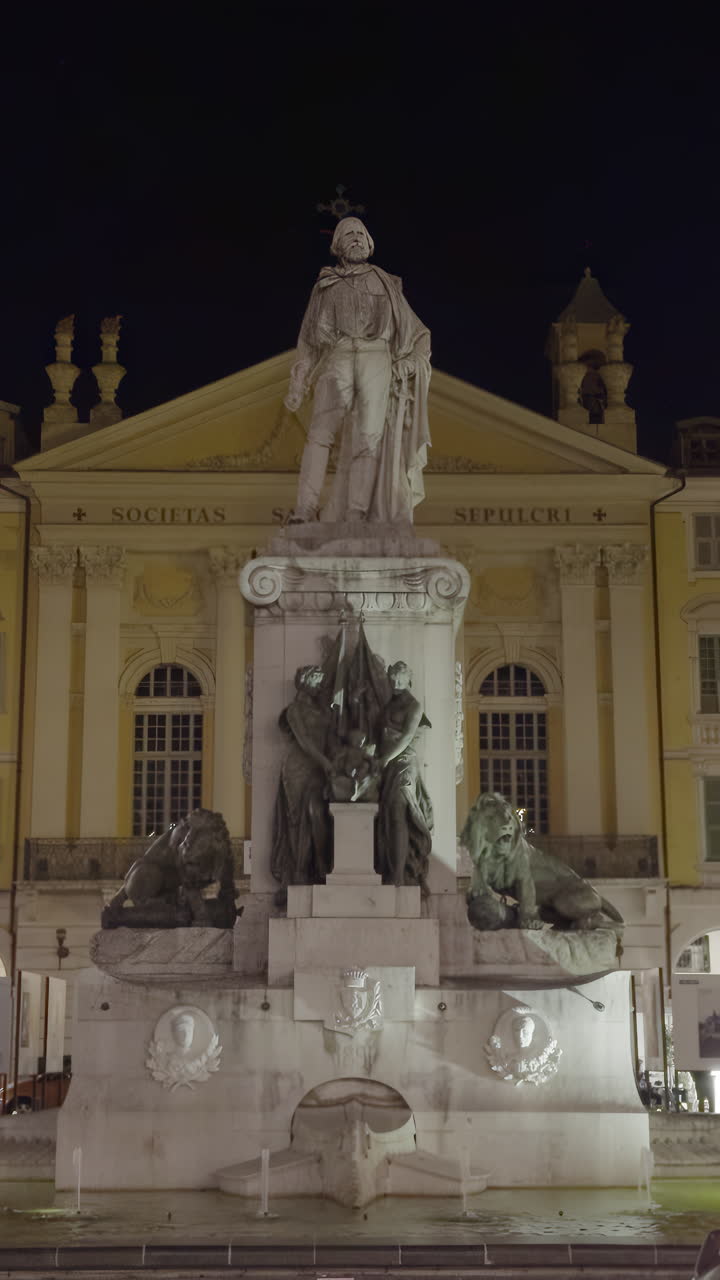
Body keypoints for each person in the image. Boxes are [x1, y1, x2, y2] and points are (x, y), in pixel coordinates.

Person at [285, 217, 431, 524]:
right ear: (337, 245)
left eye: (361, 234)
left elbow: (419, 333)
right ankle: (305, 509)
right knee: (319, 434)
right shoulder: (325, 287)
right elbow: (309, 340)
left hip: (375, 356)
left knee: (369, 437)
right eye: (349, 234)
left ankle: (356, 512)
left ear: (370, 243)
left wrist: (411, 361)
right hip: (337, 356)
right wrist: (298, 382)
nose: (356, 239)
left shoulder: (387, 284)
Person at [271, 665, 334, 890]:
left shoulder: (325, 711)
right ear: (304, 682)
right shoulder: (294, 710)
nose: (320, 686)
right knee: (297, 820)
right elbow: (304, 741)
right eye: (316, 681)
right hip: (298, 767)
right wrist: (326, 762)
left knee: (317, 814)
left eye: (321, 681)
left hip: (319, 769)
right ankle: (299, 872)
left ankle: (320, 866)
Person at [376, 661, 433, 889]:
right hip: (387, 766)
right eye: (392, 679)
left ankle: (399, 875)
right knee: (388, 814)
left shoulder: (414, 705)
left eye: (400, 679)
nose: (396, 683)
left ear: (409, 679)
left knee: (399, 810)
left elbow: (407, 737)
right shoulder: (388, 705)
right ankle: (391, 868)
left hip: (404, 763)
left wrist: (385, 757)